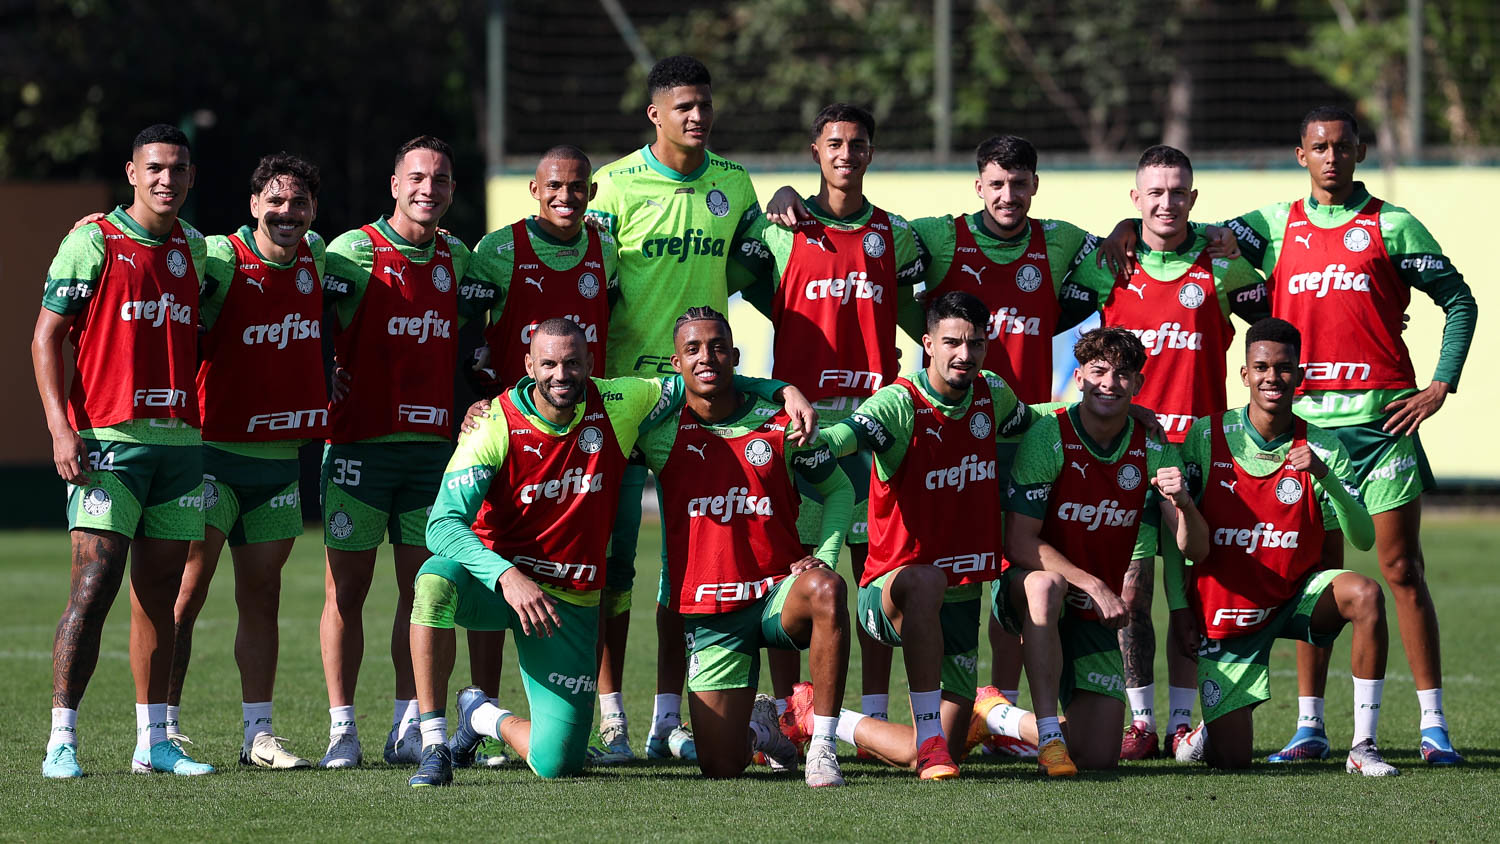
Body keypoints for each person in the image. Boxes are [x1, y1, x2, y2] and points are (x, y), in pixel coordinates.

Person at [405, 318, 817, 785]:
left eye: (572, 364)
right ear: (528, 366)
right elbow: (441, 525)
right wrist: (506, 576)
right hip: (498, 584)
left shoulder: (622, 400)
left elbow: (704, 374)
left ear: (589, 363)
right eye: (549, 364)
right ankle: (434, 744)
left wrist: (784, 391)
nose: (561, 375)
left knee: (557, 763)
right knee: (434, 580)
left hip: (568, 604)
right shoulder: (494, 423)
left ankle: (480, 716)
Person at [1221, 107, 1477, 766]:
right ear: (1300, 154)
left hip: (1384, 425)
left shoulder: (1392, 224)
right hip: (1310, 435)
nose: (1331, 156)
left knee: (1400, 571)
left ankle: (1434, 725)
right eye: (1318, 146)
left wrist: (1440, 384)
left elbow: (1459, 300)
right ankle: (1310, 727)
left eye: (1342, 145)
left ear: (1360, 150)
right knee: (1316, 579)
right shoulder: (1274, 225)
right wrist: (1137, 231)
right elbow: (1200, 240)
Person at [585, 55, 766, 762]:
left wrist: (781, 198)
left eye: (704, 105)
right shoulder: (616, 185)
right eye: (683, 106)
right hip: (627, 400)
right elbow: (584, 281)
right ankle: (611, 718)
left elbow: (763, 265)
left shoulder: (732, 183)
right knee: (612, 565)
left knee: (690, 568)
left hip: (702, 402)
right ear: (655, 114)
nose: (697, 116)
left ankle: (668, 719)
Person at [1060, 145, 1268, 758]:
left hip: (1201, 455)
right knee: (1131, 592)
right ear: (1135, 199)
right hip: (1127, 452)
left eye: (1178, 192)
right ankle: (1142, 722)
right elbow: (1041, 310)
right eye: (1154, 192)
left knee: (1194, 600)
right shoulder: (1110, 265)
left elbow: (1281, 317)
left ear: (1193, 199)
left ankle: (1182, 722)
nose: (1166, 202)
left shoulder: (1223, 266)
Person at [730, 102, 923, 737]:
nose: (847, 153)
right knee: (801, 570)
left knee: (876, 573)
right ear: (816, 150)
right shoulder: (781, 230)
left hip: (876, 433)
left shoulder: (896, 236)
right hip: (803, 430)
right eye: (835, 143)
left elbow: (927, 319)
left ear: (872, 152)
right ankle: (791, 715)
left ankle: (866, 714)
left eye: (859, 143)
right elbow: (735, 278)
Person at [811, 292, 1057, 779]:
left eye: (976, 343)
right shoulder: (900, 402)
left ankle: (814, 715)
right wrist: (817, 439)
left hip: (963, 590)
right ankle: (930, 743)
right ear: (927, 343)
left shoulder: (992, 393)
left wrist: (1102, 411)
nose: (964, 354)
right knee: (925, 581)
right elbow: (849, 435)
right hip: (892, 590)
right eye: (952, 342)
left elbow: (1035, 419)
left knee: (949, 746)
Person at [32, 124, 214, 777]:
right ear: (133, 173)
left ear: (191, 178)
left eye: (180, 170)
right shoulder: (92, 240)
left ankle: (154, 744)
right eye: (156, 168)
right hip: (108, 442)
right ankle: (61, 739)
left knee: (160, 594)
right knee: (94, 583)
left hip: (181, 444)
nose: (168, 180)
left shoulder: (198, 249)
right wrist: (61, 428)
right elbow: (46, 338)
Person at [635, 307, 855, 787]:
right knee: (720, 766)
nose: (706, 357)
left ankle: (821, 747)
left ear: (734, 356)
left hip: (779, 595)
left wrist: (828, 554)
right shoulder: (657, 431)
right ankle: (760, 731)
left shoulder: (781, 423)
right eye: (692, 349)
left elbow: (840, 491)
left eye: (716, 347)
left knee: (827, 590)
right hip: (712, 611)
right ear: (676, 364)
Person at [452, 144, 619, 766]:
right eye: (554, 185)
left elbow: (614, 322)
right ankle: (478, 706)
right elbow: (460, 327)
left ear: (590, 193)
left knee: (604, 568)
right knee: (492, 551)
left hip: (584, 430)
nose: (566, 196)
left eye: (577, 186)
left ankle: (608, 718)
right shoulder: (498, 249)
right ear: (533, 188)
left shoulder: (607, 250)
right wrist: (473, 397)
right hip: (511, 429)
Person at [1171, 318, 1394, 775]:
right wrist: (1178, 610)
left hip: (1297, 596)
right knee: (1232, 762)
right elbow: (1178, 541)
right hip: (1228, 610)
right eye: (1262, 367)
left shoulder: (1324, 446)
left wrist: (1325, 476)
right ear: (1245, 375)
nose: (1273, 377)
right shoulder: (1204, 436)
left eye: (1284, 368)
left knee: (1366, 594)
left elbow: (1364, 538)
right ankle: (1208, 731)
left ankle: (1364, 746)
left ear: (1300, 373)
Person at [316, 135, 471, 768]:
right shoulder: (350, 253)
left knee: (424, 593)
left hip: (432, 454)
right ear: (393, 184)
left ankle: (410, 723)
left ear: (453, 190)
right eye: (416, 177)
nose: (427, 189)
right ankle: (342, 728)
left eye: (439, 179)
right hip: (358, 449)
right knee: (346, 591)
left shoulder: (461, 258)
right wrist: (322, 366)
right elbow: (287, 294)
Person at [1005, 326, 1208, 771]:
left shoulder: (1154, 445)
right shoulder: (1049, 434)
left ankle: (1000, 715)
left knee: (1098, 757)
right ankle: (1048, 739)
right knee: (1047, 585)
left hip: (1094, 611)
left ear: (1137, 384)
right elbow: (1018, 541)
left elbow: (1197, 549)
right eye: (1099, 372)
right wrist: (1095, 585)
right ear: (1078, 377)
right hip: (1037, 591)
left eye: (1122, 375)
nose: (1109, 384)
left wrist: (1185, 504)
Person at [183, 153, 327, 768]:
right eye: (275, 201)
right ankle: (158, 731)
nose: (286, 213)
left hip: (280, 461)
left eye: (298, 202)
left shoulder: (320, 257)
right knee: (186, 593)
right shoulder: (218, 257)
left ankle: (257, 735)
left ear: (312, 210)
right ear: (252, 205)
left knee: (262, 597)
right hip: (214, 454)